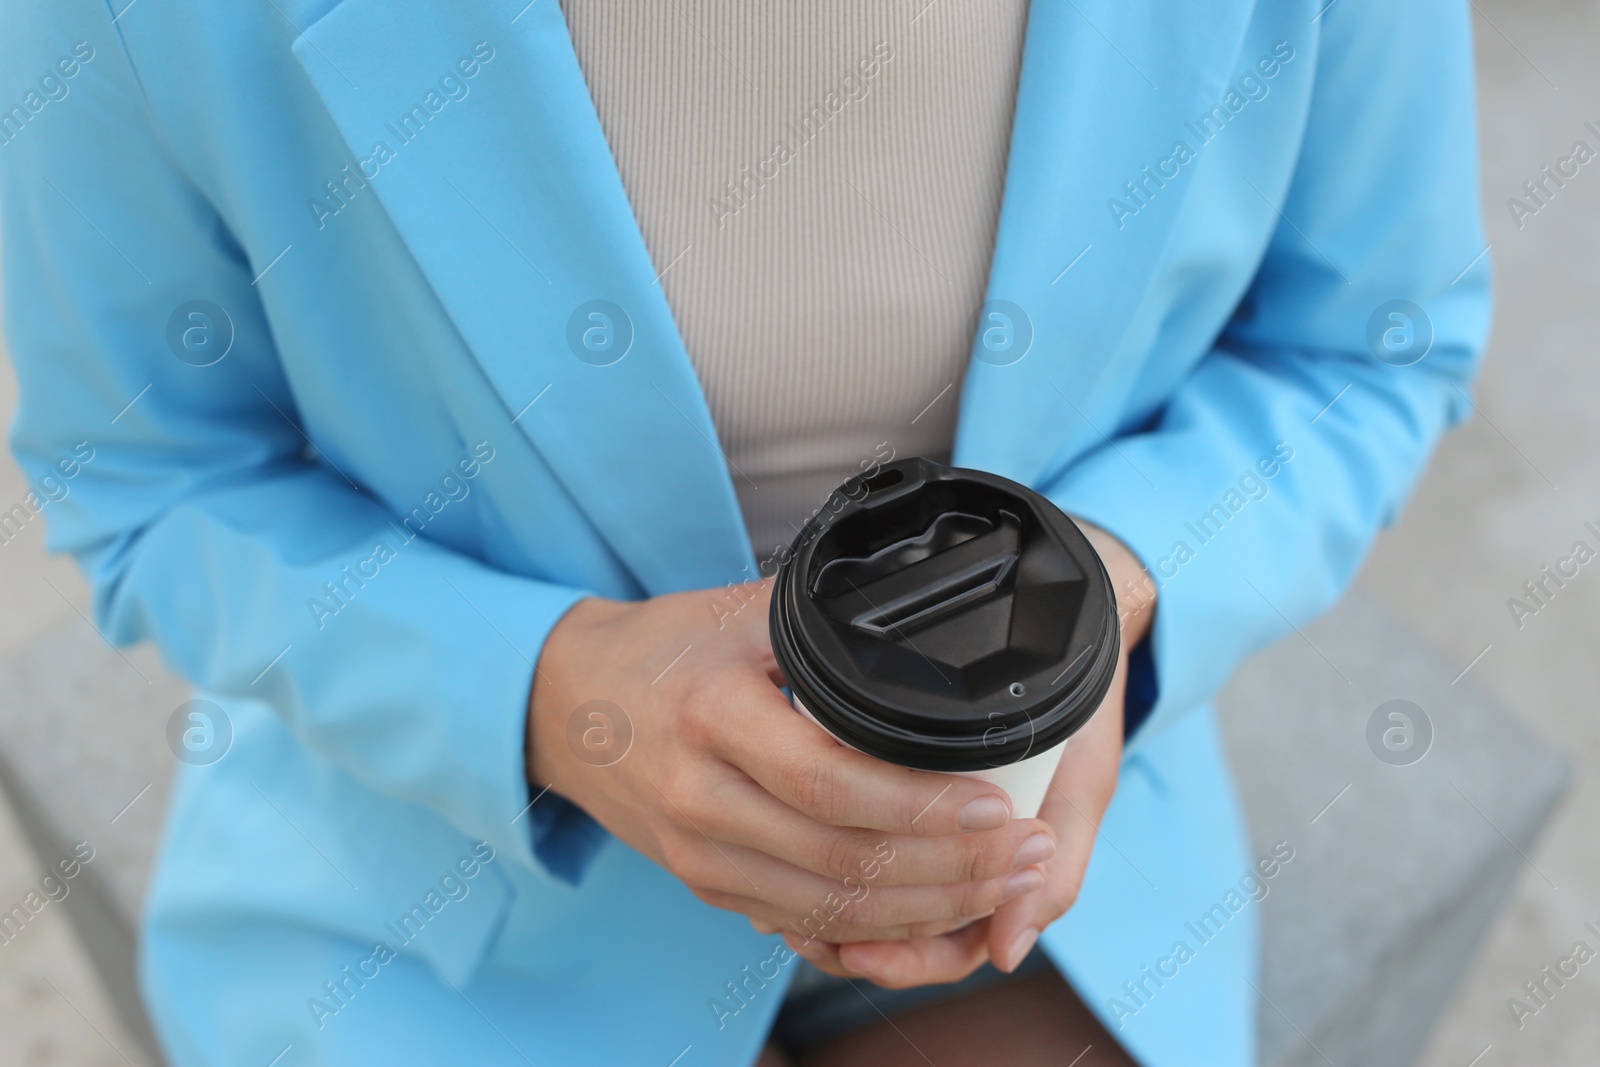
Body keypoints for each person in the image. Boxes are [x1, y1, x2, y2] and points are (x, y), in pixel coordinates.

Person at [0, 0, 1488, 1064]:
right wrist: (551, 694)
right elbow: (150, 477)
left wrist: (1118, 587)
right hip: (463, 910)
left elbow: (1369, 346)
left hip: (1046, 855)